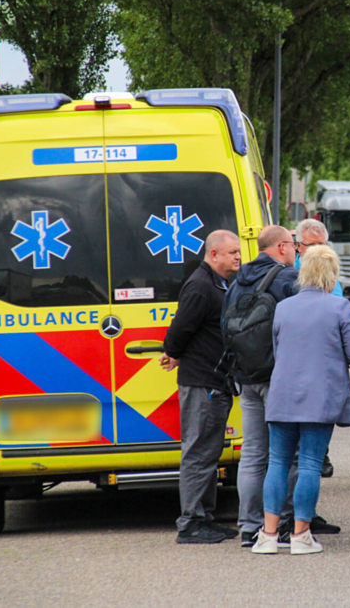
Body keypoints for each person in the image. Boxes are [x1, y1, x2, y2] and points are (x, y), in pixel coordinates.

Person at [224, 225, 340, 546]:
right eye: (293, 246)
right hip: (280, 378)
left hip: (247, 377)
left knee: (253, 454)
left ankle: (250, 527)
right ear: (281, 247)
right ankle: (286, 523)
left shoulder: (237, 280)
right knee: (287, 456)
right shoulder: (287, 278)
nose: (296, 252)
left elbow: (226, 327)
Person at [252, 246, 350, 555]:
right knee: (310, 464)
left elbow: (278, 348)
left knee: (276, 462)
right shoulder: (339, 306)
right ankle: (301, 535)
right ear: (331, 274)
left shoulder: (283, 307)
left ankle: (268, 535)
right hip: (320, 397)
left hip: (283, 394)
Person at [159, 230, 241, 544]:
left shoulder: (217, 283)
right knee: (198, 453)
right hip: (202, 382)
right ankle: (191, 523)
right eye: (232, 252)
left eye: (238, 252)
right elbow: (181, 327)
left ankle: (205, 518)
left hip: (214, 380)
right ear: (214, 254)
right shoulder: (200, 285)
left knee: (209, 453)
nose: (237, 257)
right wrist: (174, 352)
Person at [293, 218, 342, 479]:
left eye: (323, 244)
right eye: (313, 246)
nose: (320, 251)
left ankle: (319, 453)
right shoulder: (292, 271)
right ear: (299, 246)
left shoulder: (331, 269)